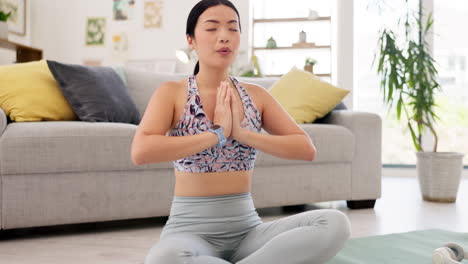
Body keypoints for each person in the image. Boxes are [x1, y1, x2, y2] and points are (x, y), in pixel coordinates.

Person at [131, 0, 351, 263]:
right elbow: (141, 151)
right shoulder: (172, 93)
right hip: (189, 233)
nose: (224, 36)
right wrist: (217, 134)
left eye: (232, 29)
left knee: (334, 223)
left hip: (249, 233)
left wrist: (243, 134)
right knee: (163, 259)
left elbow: (306, 149)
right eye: (212, 28)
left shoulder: (256, 95)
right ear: (191, 40)